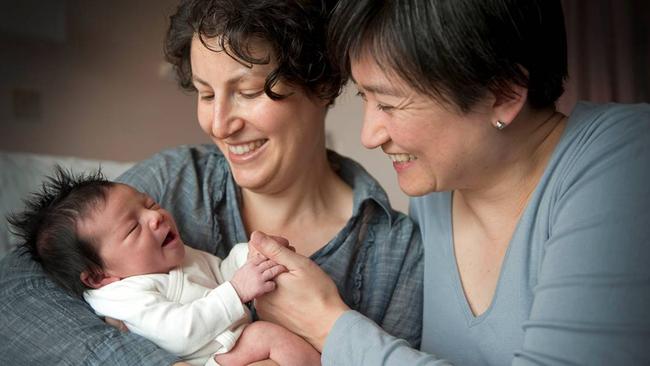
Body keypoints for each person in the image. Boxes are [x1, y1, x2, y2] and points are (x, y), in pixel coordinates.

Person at [0, 0, 423, 364]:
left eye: (250, 91)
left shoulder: (394, 250)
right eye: (205, 94)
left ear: (323, 84)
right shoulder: (177, 178)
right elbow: (14, 294)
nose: (219, 125)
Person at [250, 0, 650, 365]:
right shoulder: (437, 195)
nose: (369, 135)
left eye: (389, 103)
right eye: (365, 99)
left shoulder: (627, 160)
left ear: (504, 92)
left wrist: (327, 323)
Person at [8, 167, 320, 366]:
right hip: (205, 359)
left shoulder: (174, 257)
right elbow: (179, 333)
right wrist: (237, 290)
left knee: (278, 329)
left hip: (231, 345)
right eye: (133, 229)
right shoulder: (125, 295)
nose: (154, 218)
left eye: (149, 204)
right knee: (267, 335)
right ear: (99, 276)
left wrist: (252, 256)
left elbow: (221, 274)